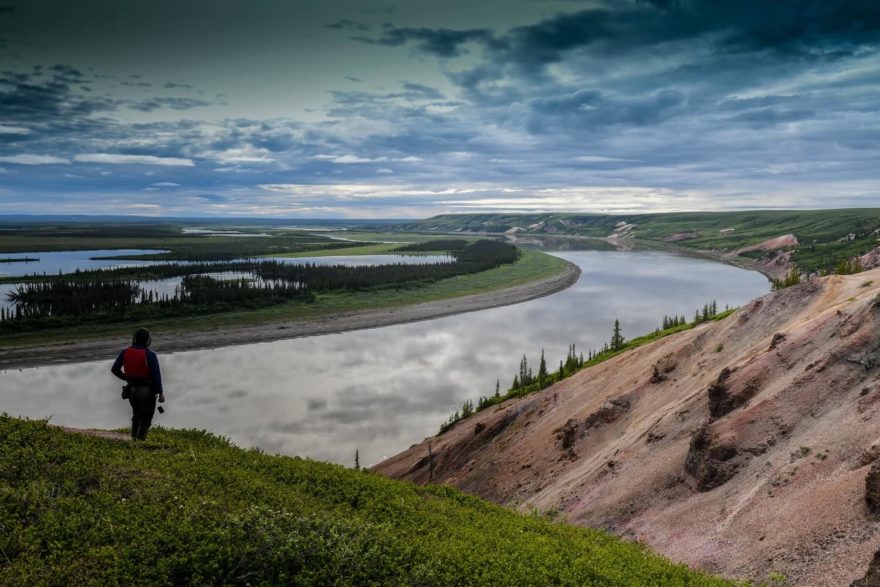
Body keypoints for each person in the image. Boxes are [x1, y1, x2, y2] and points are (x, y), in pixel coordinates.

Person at [111, 328, 165, 440]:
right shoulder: (150, 354)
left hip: (131, 390)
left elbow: (115, 369)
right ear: (147, 340)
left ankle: (134, 440)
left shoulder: (125, 352)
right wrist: (160, 393)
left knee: (136, 415)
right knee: (146, 418)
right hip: (146, 391)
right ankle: (140, 442)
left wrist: (126, 378)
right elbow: (156, 376)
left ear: (135, 339)